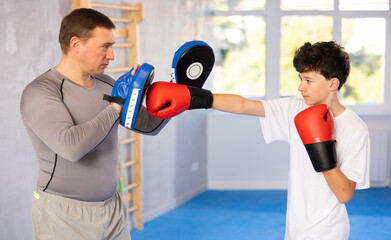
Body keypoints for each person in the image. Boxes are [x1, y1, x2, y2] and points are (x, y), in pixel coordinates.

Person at [146, 40, 370, 239]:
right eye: (300, 78)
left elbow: (344, 194)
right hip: (296, 227)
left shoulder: (355, 129)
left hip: (328, 231)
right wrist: (193, 98)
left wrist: (321, 150)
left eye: (309, 80)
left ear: (333, 84)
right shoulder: (295, 108)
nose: (301, 87)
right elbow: (244, 105)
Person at [20, 8, 167, 240]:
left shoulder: (108, 84)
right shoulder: (41, 91)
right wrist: (117, 104)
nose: (112, 56)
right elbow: (72, 147)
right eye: (105, 47)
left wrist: (173, 98)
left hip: (112, 210)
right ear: (76, 44)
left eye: (112, 46)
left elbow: (149, 125)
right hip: (63, 215)